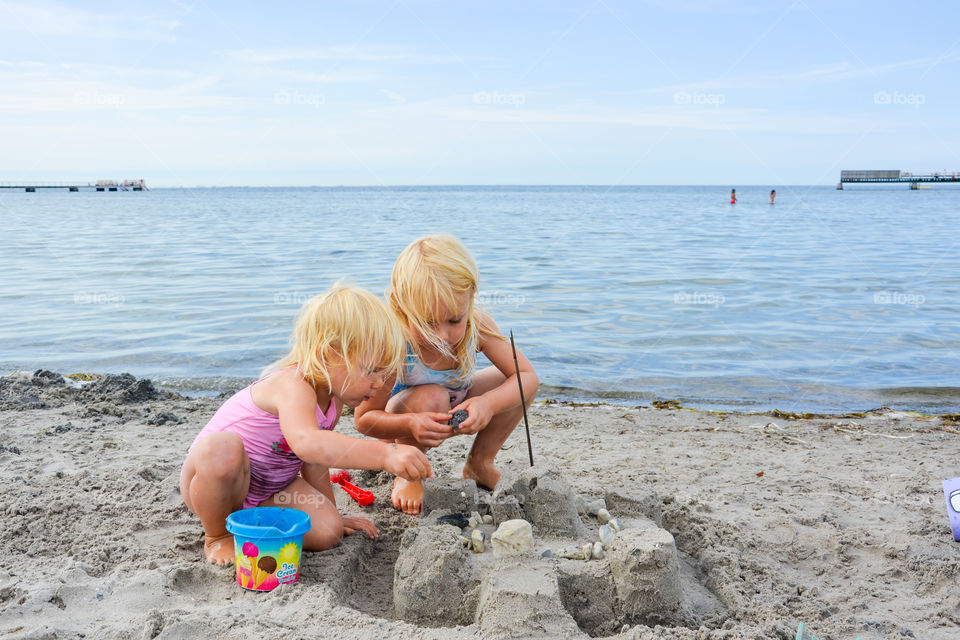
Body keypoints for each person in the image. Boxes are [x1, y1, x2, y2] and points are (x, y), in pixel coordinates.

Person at [180, 285, 433, 564]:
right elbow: (307, 443)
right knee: (222, 447)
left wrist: (333, 513)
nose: (380, 382)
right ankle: (217, 536)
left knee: (328, 532)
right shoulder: (293, 385)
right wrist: (386, 454)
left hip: (269, 489)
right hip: (216, 484)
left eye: (384, 373)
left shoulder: (333, 403)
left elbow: (315, 461)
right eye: (371, 370)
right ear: (328, 354)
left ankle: (248, 521)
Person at [355, 234, 539, 515]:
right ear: (402, 307)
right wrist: (410, 423)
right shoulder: (395, 344)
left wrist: (488, 404)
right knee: (432, 395)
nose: (443, 335)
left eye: (454, 320)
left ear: (472, 295)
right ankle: (409, 473)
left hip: (454, 411)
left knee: (511, 382)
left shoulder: (478, 325)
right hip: (404, 425)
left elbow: (528, 376)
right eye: (428, 323)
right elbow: (364, 421)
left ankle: (480, 463)